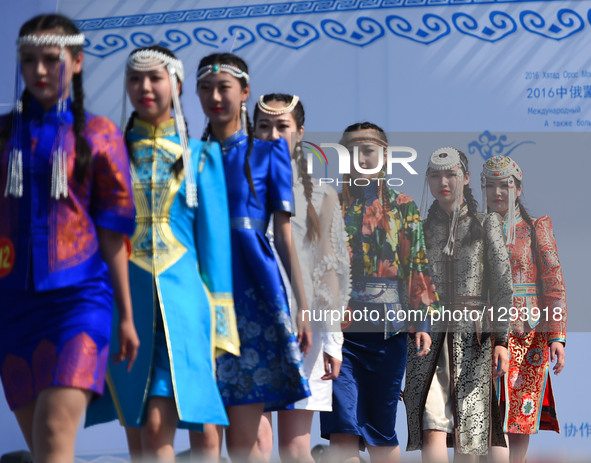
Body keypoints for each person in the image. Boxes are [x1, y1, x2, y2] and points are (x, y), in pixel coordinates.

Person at [87, 46, 239, 462]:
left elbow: (214, 248)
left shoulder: (201, 157)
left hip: (185, 304)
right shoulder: (107, 155)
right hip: (123, 304)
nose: (145, 87)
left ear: (176, 84)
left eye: (155, 78)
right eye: (135, 79)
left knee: (181, 427)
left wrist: (223, 321)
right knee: (137, 426)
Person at [0, 14, 138, 462]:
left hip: (80, 301)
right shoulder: (3, 136)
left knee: (55, 432)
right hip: (13, 305)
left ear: (77, 62)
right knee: (44, 449)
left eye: (51, 60)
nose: (39, 71)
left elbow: (113, 231)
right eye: (29, 61)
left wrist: (126, 316)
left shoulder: (100, 135)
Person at [195, 53, 311, 462]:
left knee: (244, 438)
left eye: (223, 87)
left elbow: (282, 236)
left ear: (244, 92)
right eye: (206, 88)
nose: (215, 96)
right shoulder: (191, 155)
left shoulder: (269, 153)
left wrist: (304, 306)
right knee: (205, 431)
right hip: (199, 287)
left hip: (254, 288)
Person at [320, 122, 438, 463]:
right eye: (352, 151)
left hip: (389, 332)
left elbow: (417, 263)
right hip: (340, 332)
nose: (361, 158)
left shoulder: (404, 206)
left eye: (368, 150)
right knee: (342, 424)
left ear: (385, 156)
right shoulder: (329, 204)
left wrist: (423, 323)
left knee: (380, 428)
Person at [253, 93, 351, 463]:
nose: (273, 134)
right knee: (255, 442)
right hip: (253, 324)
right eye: (264, 126)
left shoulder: (321, 194)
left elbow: (331, 270)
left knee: (294, 448)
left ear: (300, 132)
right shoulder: (237, 188)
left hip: (305, 329)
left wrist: (333, 341)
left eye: (283, 126)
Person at [404, 147, 513, 462]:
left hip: (473, 337)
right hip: (428, 339)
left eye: (451, 174)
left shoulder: (486, 223)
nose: (444, 182)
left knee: (471, 431)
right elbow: (413, 286)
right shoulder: (421, 230)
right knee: (431, 423)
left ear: (465, 178)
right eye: (436, 176)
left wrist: (502, 340)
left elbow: (502, 287)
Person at [481, 155, 566, 463]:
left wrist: (557, 335)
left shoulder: (535, 229)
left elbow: (554, 285)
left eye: (505, 185)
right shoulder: (473, 230)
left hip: (528, 334)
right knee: (488, 413)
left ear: (517, 188)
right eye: (490, 186)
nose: (498, 192)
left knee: (520, 412)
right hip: (484, 333)